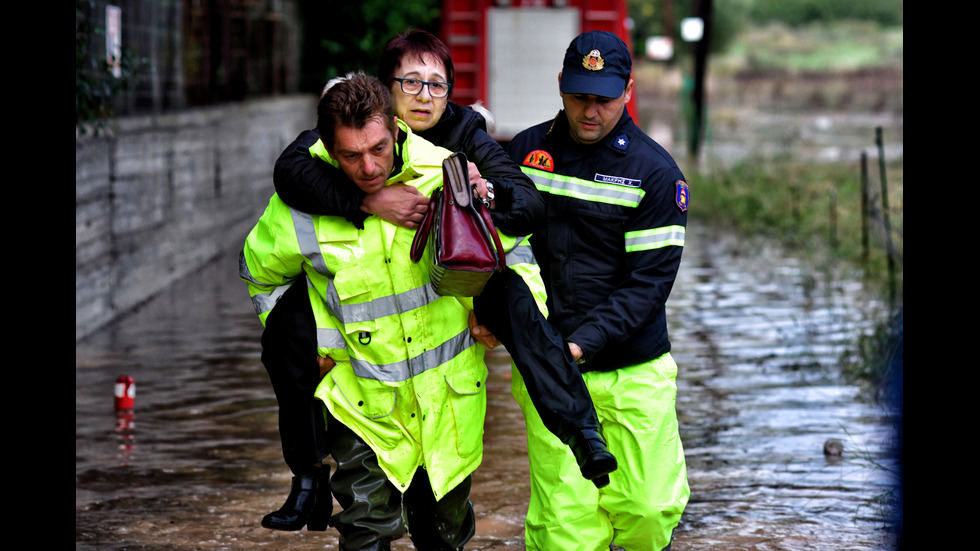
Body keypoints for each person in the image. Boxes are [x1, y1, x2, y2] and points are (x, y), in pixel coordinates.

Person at [259, 28, 617, 532]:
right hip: (370, 328)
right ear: (385, 91)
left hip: (450, 285)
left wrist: (481, 193)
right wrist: (368, 199)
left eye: (437, 85)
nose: (425, 97)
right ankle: (308, 478)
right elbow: (291, 170)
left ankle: (581, 430)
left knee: (517, 303)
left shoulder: (462, 134)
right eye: (411, 83)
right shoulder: (350, 128)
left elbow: (527, 205)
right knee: (283, 331)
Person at [241, 73, 487, 550]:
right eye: (351, 156)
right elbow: (260, 276)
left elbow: (514, 257)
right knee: (364, 531)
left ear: (396, 130)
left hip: (447, 402)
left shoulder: (447, 174)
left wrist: (493, 317)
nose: (369, 167)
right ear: (329, 152)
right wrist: (300, 344)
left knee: (444, 536)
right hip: (360, 402)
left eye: (377, 148)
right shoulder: (301, 206)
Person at [504, 31, 691, 551]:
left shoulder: (655, 174)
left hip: (635, 369)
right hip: (552, 370)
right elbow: (501, 250)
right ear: (561, 85)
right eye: (580, 95)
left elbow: (649, 284)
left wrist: (580, 343)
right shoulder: (525, 151)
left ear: (628, 91)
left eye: (604, 99)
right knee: (565, 530)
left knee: (648, 512)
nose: (590, 111)